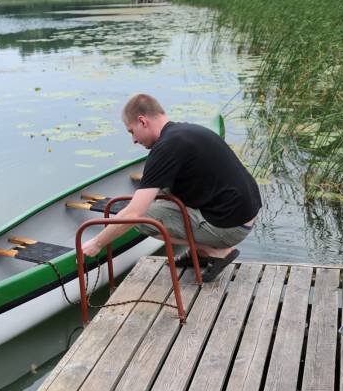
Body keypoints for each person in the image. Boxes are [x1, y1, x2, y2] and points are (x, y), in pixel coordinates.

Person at [82, 93, 261, 282]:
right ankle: (199, 252)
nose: (133, 140)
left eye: (131, 131)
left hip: (231, 227)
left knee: (140, 219)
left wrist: (97, 243)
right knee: (159, 196)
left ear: (142, 121)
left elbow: (134, 214)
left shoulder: (166, 147)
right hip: (243, 215)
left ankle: (215, 251)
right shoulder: (183, 132)